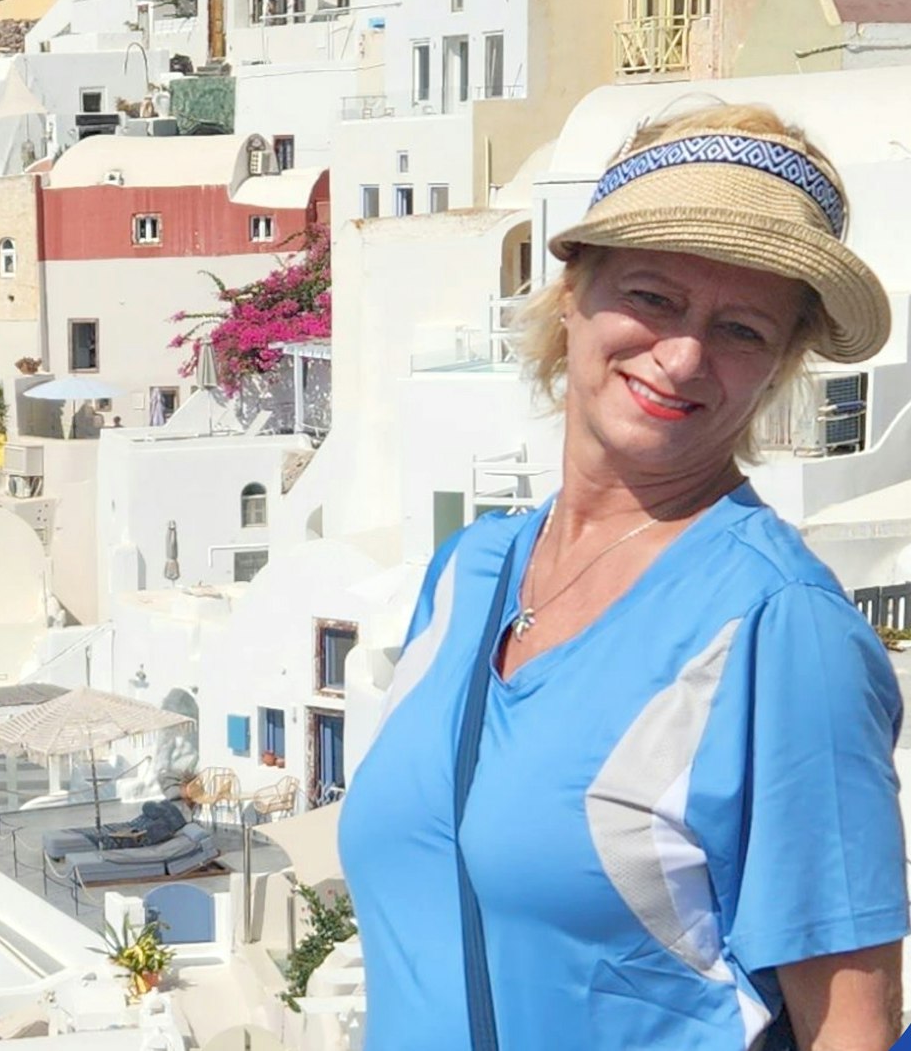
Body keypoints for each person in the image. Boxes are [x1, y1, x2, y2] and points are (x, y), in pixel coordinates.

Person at [340, 105, 907, 1049]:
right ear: (573, 289)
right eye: (652, 297)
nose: (683, 355)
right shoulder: (468, 574)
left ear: (777, 369)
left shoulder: (780, 626)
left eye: (741, 329)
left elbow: (849, 1023)